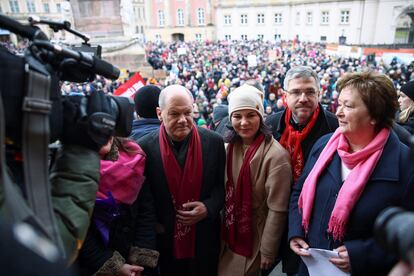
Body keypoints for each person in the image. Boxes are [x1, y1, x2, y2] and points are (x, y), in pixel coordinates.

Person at [289, 72, 414, 276]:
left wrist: (360, 254)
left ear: (375, 115)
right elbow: (299, 191)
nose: (338, 112)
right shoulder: (323, 145)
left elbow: (408, 236)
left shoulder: (406, 165)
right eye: (339, 104)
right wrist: (295, 231)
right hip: (310, 267)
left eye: (348, 106)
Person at [137, 85, 225, 276]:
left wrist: (208, 207)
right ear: (160, 114)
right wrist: (156, 224)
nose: (183, 120)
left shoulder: (214, 142)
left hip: (204, 237)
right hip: (165, 240)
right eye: (174, 114)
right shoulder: (143, 148)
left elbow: (223, 186)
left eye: (187, 112)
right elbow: (143, 197)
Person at [264, 66, 338, 275]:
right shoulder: (269, 125)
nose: (303, 98)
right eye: (296, 92)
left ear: (319, 94)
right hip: (274, 212)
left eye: (310, 92)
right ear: (285, 96)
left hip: (313, 219)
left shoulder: (334, 127)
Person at [218, 84, 292, 276]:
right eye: (237, 116)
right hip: (229, 232)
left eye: (250, 115)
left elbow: (277, 208)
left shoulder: (276, 156)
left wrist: (268, 249)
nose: (244, 122)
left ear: (260, 116)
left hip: (256, 237)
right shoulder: (227, 148)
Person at [76, 137, 158, 276]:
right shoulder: (68, 166)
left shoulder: (134, 157)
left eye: (109, 126)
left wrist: (140, 260)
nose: (104, 133)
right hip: (90, 264)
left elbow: (146, 212)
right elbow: (76, 228)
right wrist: (114, 266)